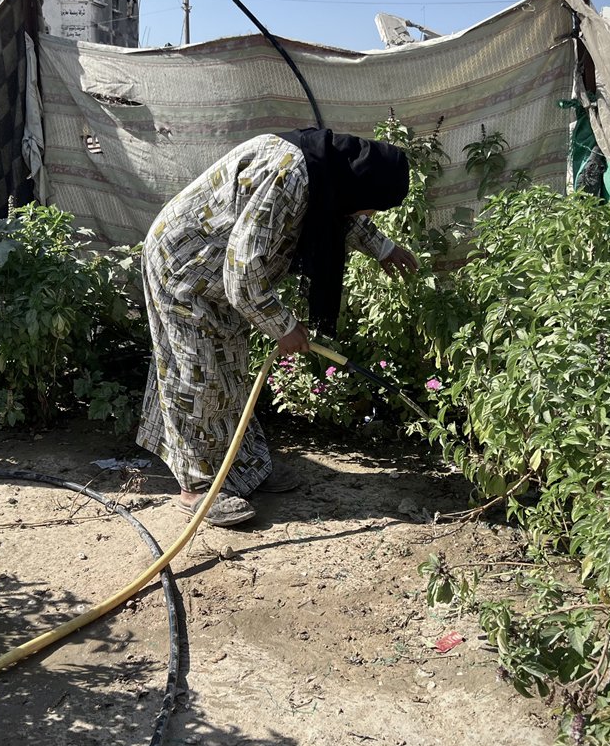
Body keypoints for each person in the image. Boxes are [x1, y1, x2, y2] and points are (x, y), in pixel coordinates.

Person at [136, 128, 419, 527]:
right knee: (199, 377)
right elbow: (243, 271)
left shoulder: (324, 167)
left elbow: (340, 207)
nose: (364, 216)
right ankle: (197, 489)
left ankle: (242, 469)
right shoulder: (288, 177)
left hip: (215, 275)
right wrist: (283, 326)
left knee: (229, 371)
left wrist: (384, 248)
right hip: (185, 268)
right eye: (369, 210)